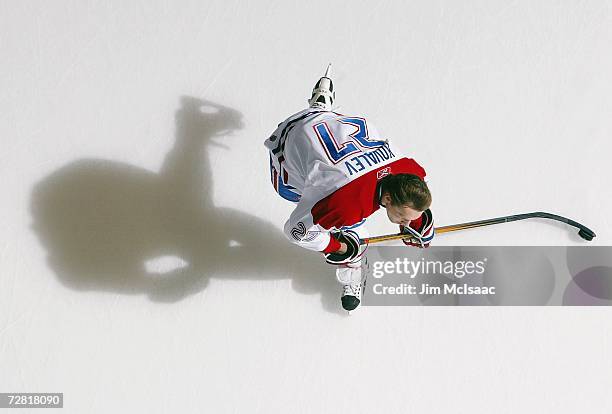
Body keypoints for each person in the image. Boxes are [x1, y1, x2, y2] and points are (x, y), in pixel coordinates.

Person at [264, 65, 434, 311]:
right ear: (387, 198)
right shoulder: (345, 205)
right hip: (288, 151)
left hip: (332, 128)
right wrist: (341, 248)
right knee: (346, 223)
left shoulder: (412, 170)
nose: (405, 222)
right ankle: (353, 267)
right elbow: (296, 231)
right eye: (404, 218)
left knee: (340, 202)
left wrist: (419, 224)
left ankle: (320, 107)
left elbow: (416, 193)